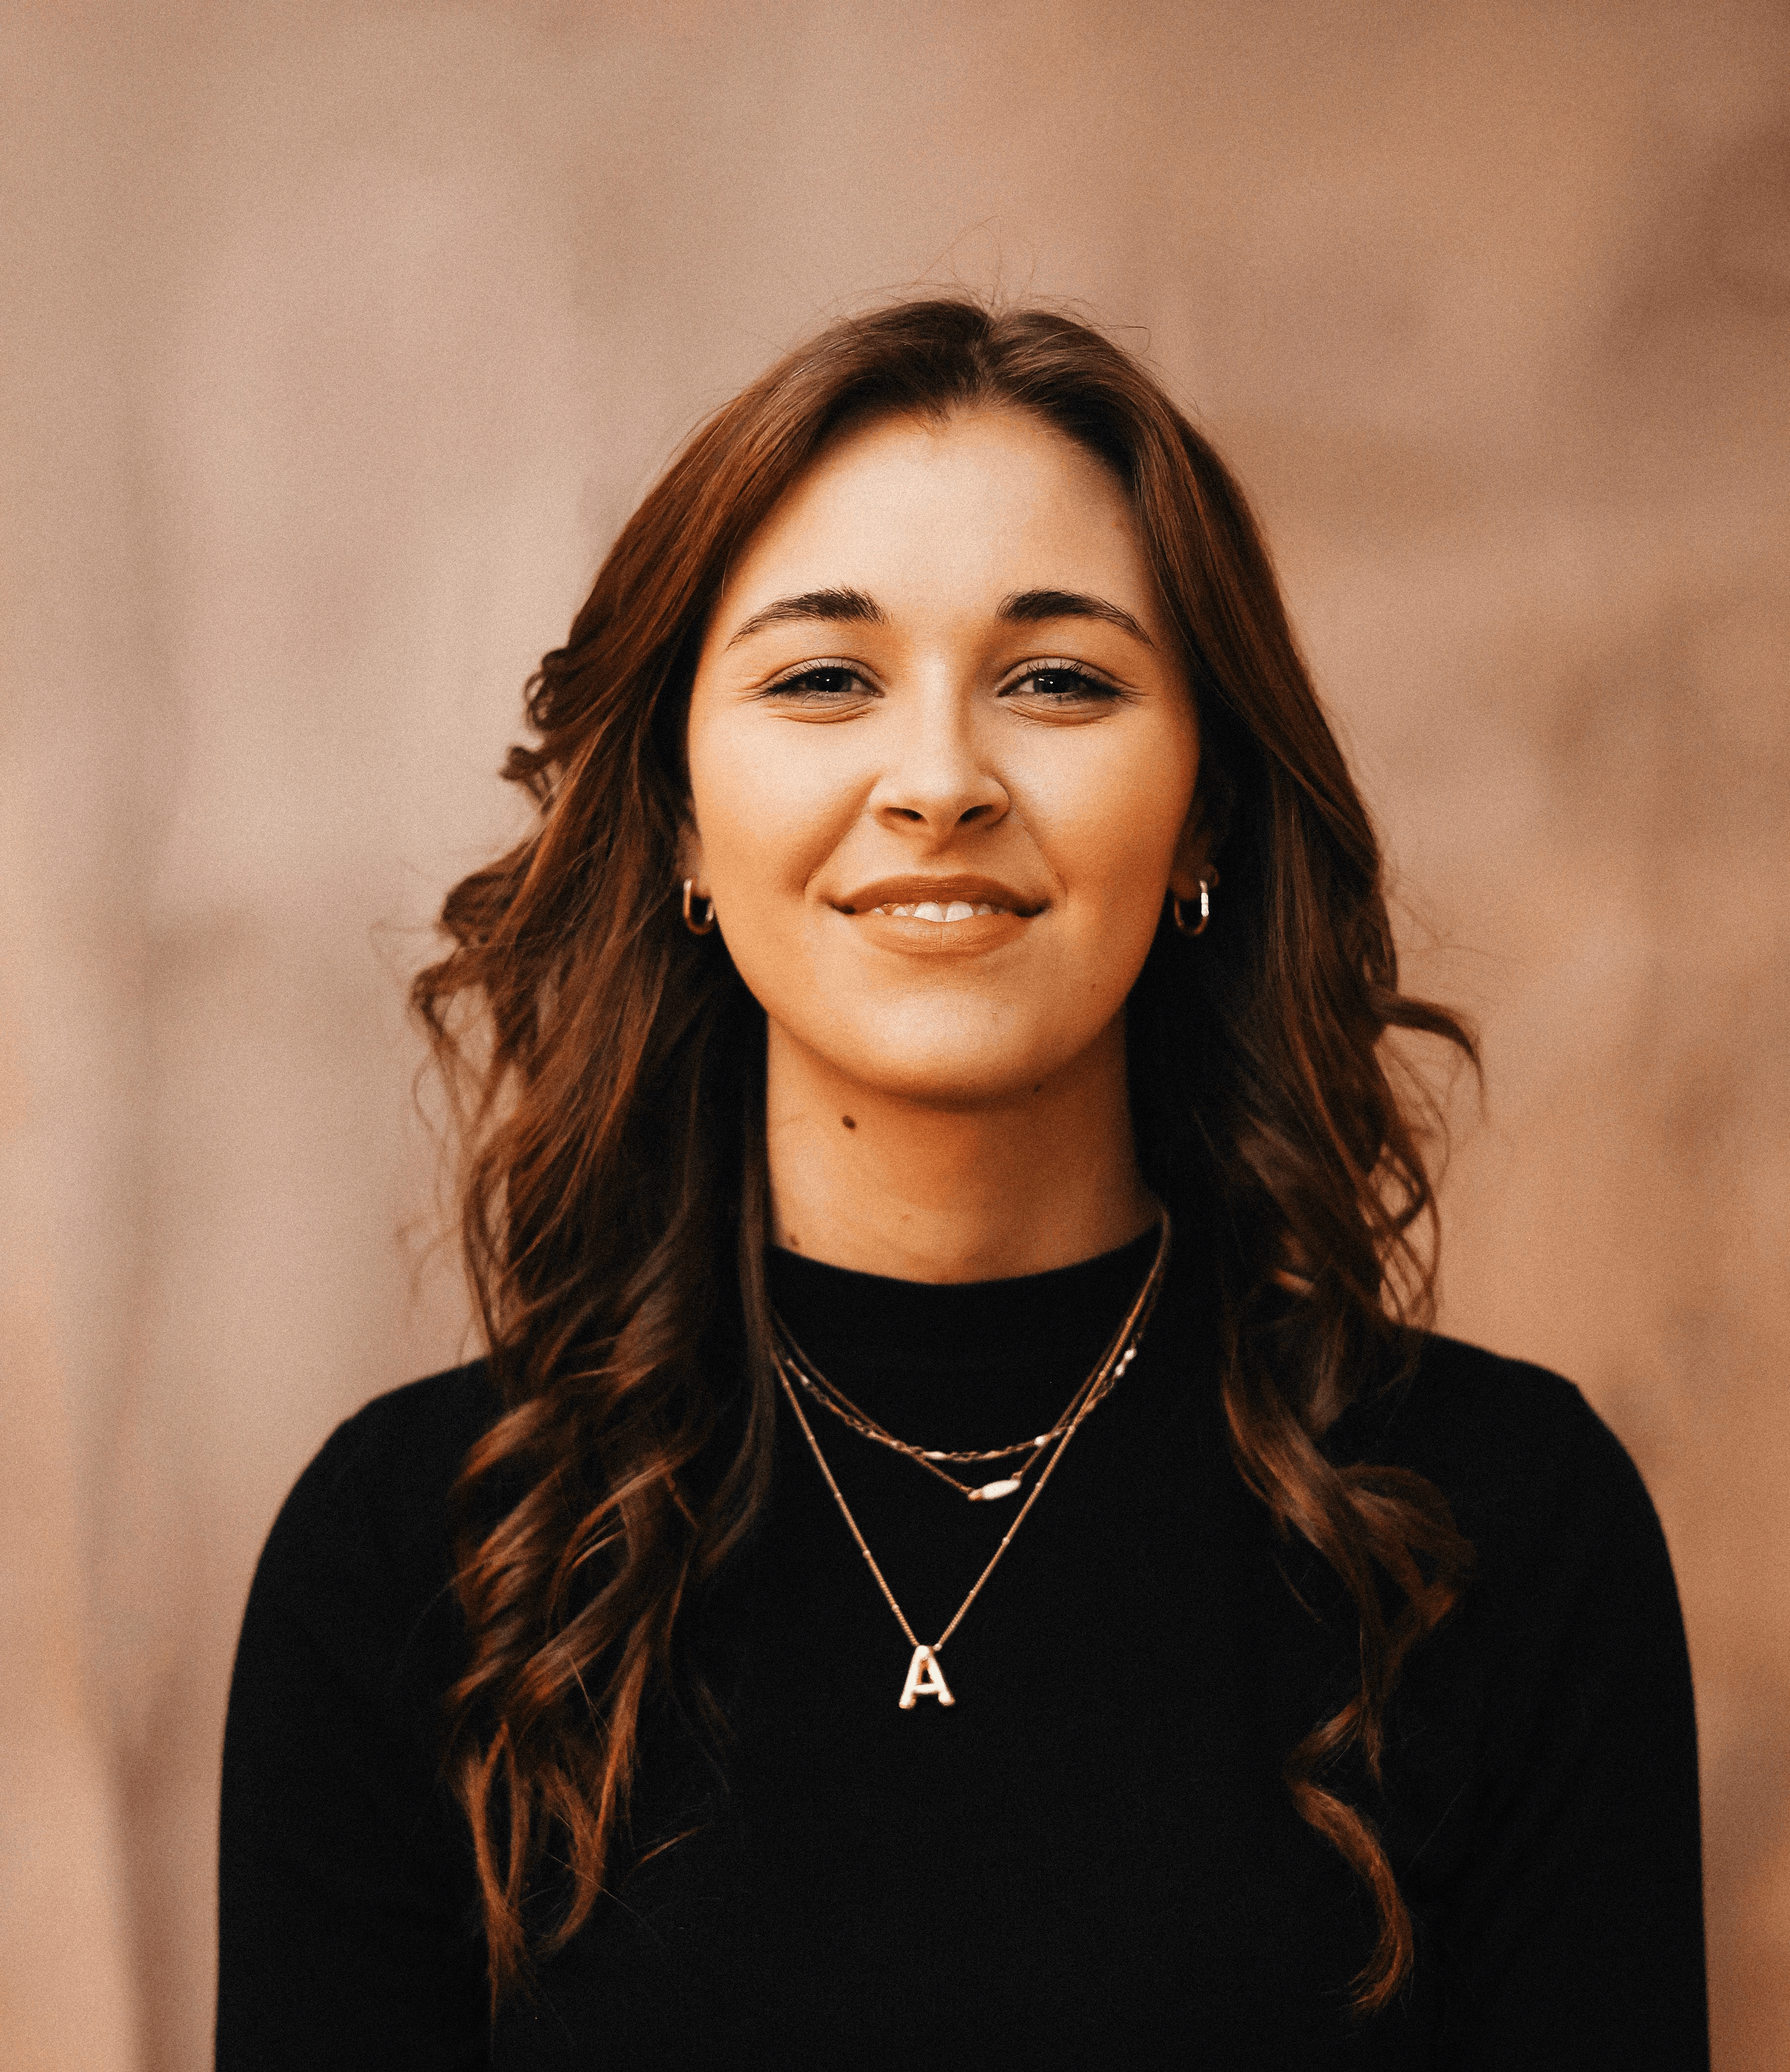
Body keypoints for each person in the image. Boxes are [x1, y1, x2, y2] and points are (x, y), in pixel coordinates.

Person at [216, 299, 1707, 2070]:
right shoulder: (411, 1557)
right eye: (823, 677)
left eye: (1059, 678)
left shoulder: (1498, 1533)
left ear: (1208, 812)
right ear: (685, 821)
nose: (937, 782)